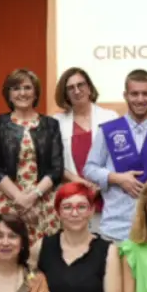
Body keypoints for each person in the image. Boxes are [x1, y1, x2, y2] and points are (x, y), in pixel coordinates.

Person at [83, 69, 147, 243]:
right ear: (125, 95)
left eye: (146, 94)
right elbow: (89, 169)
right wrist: (116, 178)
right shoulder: (108, 130)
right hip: (116, 228)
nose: (140, 99)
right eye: (134, 94)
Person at [0, 68, 64, 245]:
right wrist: (20, 199)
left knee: (44, 256)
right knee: (10, 251)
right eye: (16, 88)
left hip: (43, 201)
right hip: (8, 199)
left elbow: (57, 168)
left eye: (27, 88)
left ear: (36, 92)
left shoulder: (51, 125)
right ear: (9, 94)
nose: (22, 93)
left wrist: (32, 197)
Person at [51, 66, 117, 233]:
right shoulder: (56, 122)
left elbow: (117, 158)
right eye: (70, 88)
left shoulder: (110, 117)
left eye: (81, 85)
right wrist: (77, 181)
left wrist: (98, 184)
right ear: (65, 94)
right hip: (71, 196)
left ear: (89, 88)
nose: (77, 90)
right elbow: (54, 161)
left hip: (104, 196)